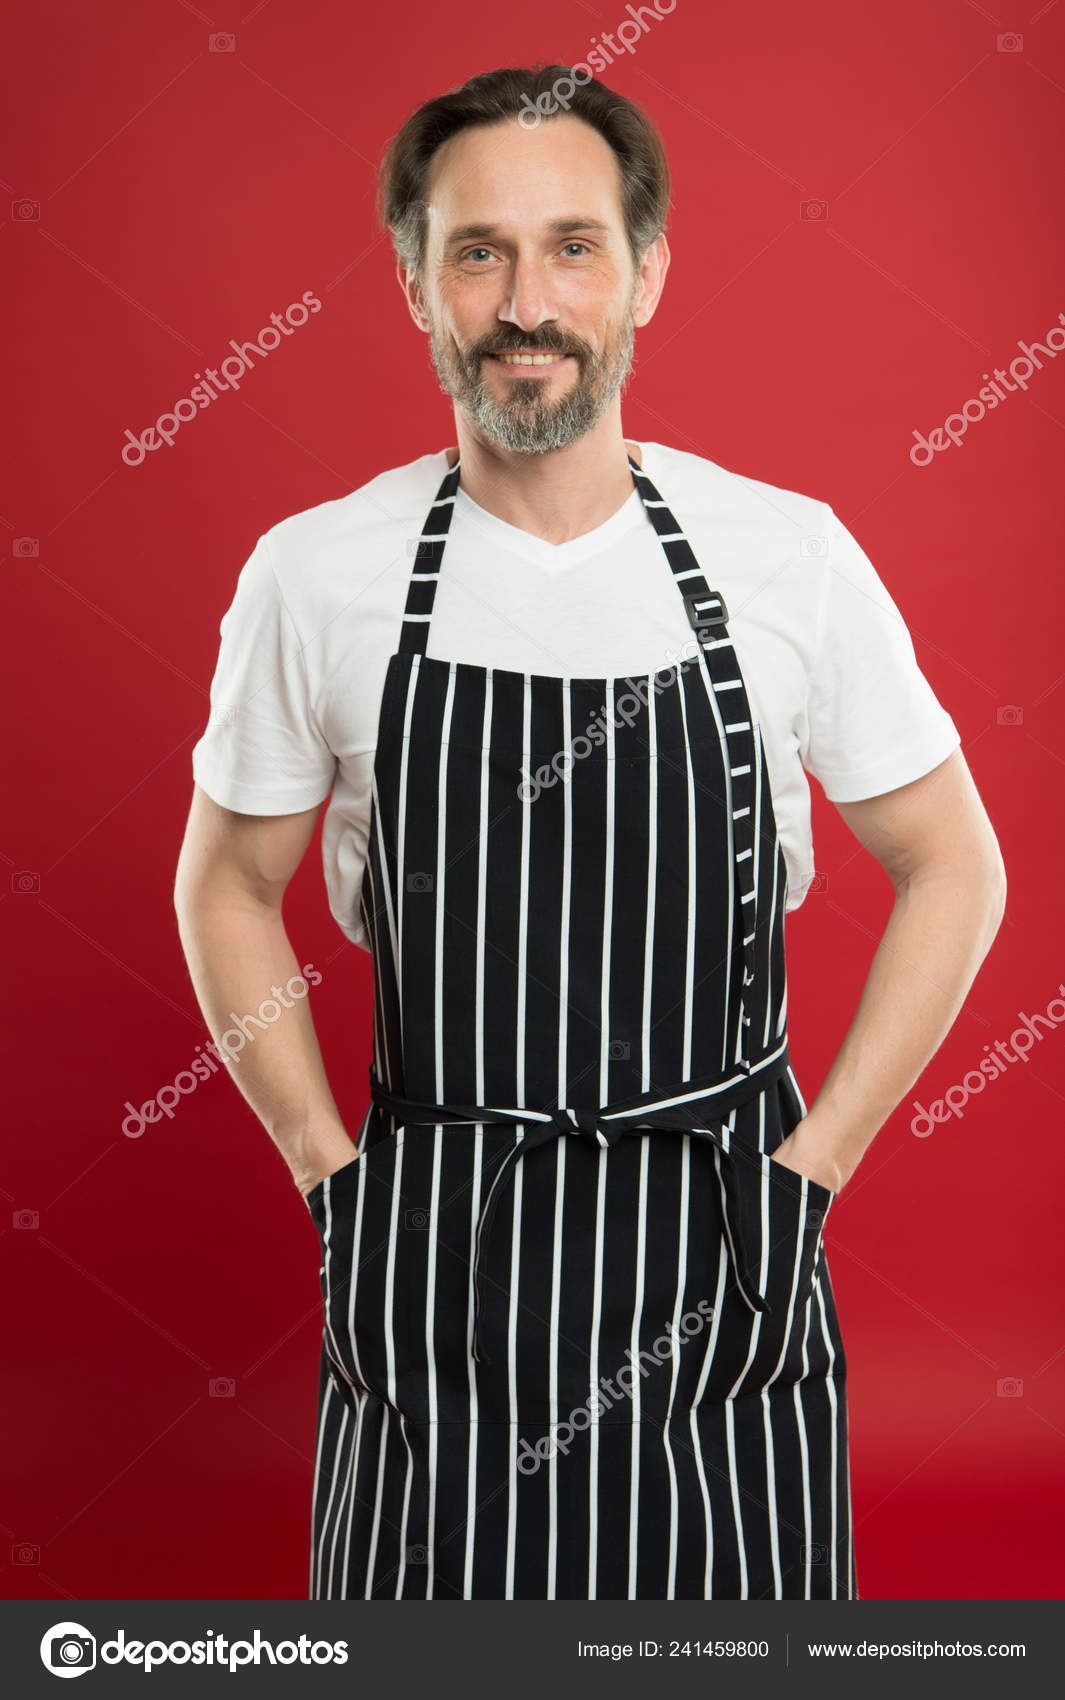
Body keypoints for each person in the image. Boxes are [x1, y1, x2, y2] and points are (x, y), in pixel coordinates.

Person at [174, 66, 1006, 1602]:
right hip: (435, 1243)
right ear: (414, 283)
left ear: (646, 276)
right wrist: (330, 1175)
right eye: (475, 251)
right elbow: (228, 881)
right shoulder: (317, 575)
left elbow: (953, 863)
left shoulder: (787, 557)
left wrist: (808, 1170)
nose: (525, 301)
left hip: (721, 1239)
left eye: (572, 246)